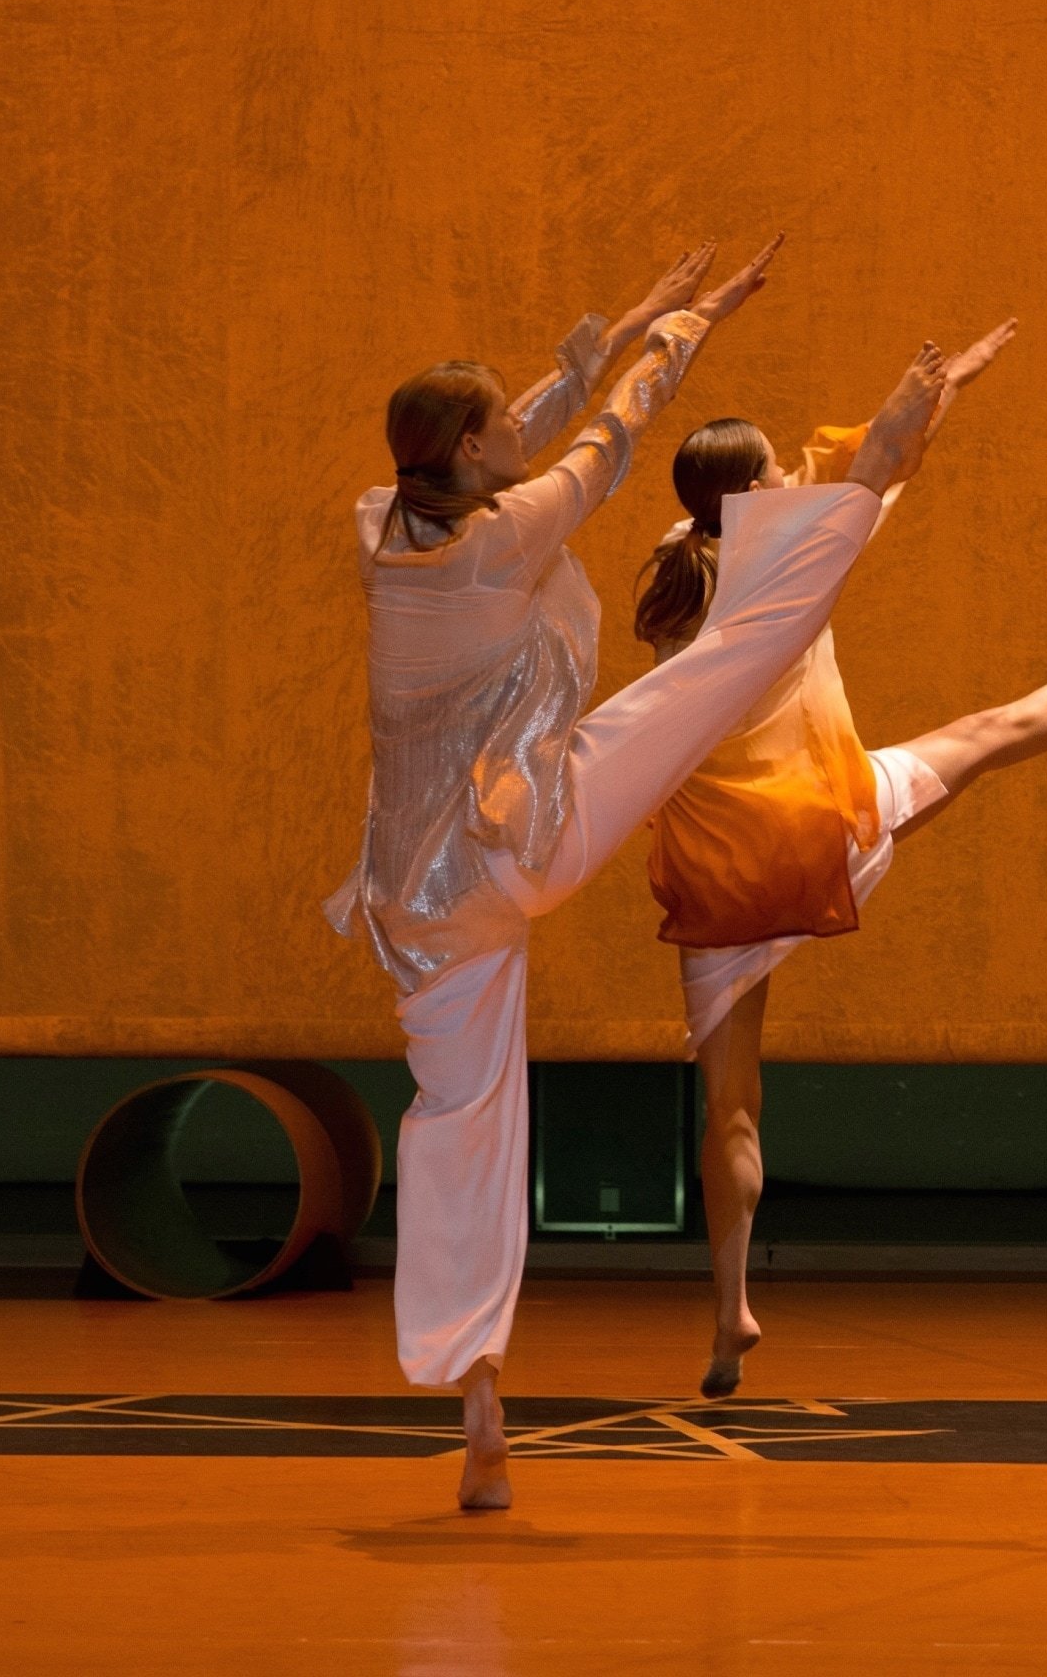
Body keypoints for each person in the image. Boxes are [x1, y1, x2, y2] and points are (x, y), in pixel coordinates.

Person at [328, 235, 960, 1507]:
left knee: (458, 1127)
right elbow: (604, 437)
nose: (525, 417)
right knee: (725, 662)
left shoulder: (384, 526)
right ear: (468, 454)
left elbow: (544, 419)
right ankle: (855, 503)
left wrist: (627, 319)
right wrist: (682, 328)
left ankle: (480, 1395)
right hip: (529, 835)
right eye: (501, 418)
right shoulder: (499, 540)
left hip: (418, 900)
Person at [628, 323, 1047, 1397]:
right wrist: (937, 397)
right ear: (760, 491)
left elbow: (857, 476)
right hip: (816, 828)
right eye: (775, 472)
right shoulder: (785, 553)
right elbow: (880, 470)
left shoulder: (678, 573)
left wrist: (915, 420)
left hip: (716, 874)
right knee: (990, 733)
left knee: (732, 1107)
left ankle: (729, 1316)